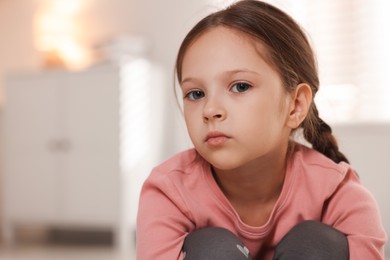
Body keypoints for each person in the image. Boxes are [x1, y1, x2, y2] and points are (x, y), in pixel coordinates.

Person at [136, 0, 387, 259]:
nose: (210, 110)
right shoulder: (168, 191)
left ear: (295, 105)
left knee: (315, 242)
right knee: (212, 248)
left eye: (240, 86)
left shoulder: (335, 191)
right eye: (196, 93)